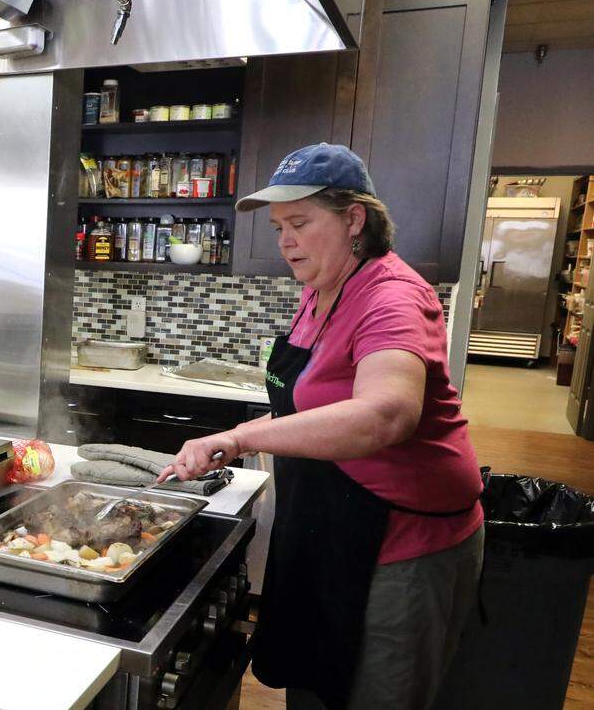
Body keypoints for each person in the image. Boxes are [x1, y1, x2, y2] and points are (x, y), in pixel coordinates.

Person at [161, 144, 484, 710]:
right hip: (329, 528)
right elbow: (302, 410)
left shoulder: (393, 297)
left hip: (402, 541)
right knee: (313, 685)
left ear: (354, 219)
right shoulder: (318, 293)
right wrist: (222, 444)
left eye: (301, 223)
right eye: (280, 225)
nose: (285, 240)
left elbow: (386, 413)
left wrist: (237, 437)